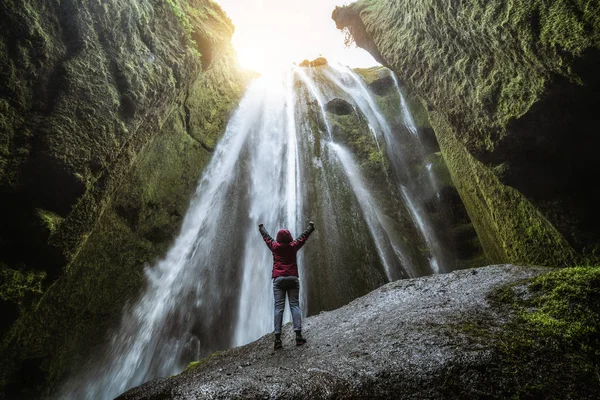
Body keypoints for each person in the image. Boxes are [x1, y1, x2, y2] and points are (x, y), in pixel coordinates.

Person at [258, 221, 315, 350]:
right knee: (294, 305)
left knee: (278, 308)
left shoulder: (274, 246)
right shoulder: (293, 246)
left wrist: (261, 228)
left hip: (278, 280)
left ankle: (278, 339)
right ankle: (299, 336)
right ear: (289, 238)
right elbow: (303, 237)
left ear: (278, 238)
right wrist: (310, 228)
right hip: (292, 278)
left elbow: (267, 238)